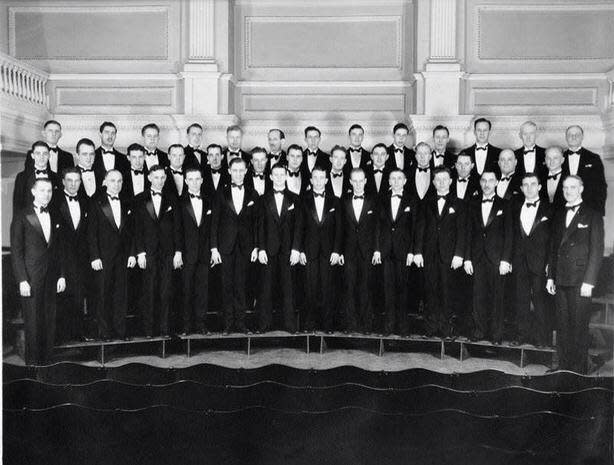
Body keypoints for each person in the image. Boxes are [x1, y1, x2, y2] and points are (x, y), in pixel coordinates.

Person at [547, 175, 604, 373]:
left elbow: (597, 251)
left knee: (579, 325)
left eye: (572, 187)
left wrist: (589, 281)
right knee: (562, 324)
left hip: (581, 280)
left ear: (581, 189)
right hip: (561, 277)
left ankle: (579, 369)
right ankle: (563, 366)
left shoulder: (592, 215)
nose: (568, 191)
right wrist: (550, 277)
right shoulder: (559, 214)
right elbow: (554, 248)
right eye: (565, 188)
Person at [11, 178, 66, 364]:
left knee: (50, 320)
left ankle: (48, 363)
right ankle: (33, 366)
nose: (46, 194)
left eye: (49, 190)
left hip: (52, 277)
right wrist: (22, 280)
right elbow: (16, 251)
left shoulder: (56, 214)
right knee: (33, 322)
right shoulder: (21, 215)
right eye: (42, 190)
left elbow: (59, 250)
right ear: (34, 192)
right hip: (31, 278)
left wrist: (61, 275)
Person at [414, 167, 466, 337]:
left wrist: (459, 254)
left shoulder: (459, 203)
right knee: (430, 290)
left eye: (445, 179)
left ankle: (445, 328)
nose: (442, 182)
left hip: (449, 256)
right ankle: (430, 327)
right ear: (434, 182)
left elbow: (461, 231)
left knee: (446, 290)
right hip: (429, 254)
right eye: (438, 179)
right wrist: (418, 251)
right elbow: (420, 228)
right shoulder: (425, 202)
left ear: (451, 181)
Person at [210, 157, 260, 333]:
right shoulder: (220, 193)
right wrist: (214, 248)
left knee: (242, 285)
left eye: (241, 170)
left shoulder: (253, 194)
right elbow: (214, 222)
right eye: (235, 170)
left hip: (245, 248)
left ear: (246, 171)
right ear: (229, 171)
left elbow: (256, 223)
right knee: (226, 286)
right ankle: (227, 324)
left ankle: (241, 323)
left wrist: (256, 247)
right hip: (225, 247)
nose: (238, 174)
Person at [464, 171, 513, 343]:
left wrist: (506, 260)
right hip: (477, 258)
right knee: (478, 297)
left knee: (497, 298)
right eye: (483, 180)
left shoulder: (505, 205)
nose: (486, 184)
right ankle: (479, 332)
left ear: (497, 182)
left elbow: (509, 235)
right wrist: (467, 258)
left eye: (490, 180)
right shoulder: (472, 204)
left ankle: (496, 334)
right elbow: (468, 232)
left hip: (497, 259)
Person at [134, 165, 183, 337]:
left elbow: (178, 227)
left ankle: (164, 330)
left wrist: (178, 251)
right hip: (148, 252)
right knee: (148, 291)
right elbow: (137, 229)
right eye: (156, 177)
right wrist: (140, 252)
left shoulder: (172, 198)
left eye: (163, 177)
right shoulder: (139, 199)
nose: (160, 181)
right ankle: (148, 330)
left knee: (166, 291)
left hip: (168, 252)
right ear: (149, 178)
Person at [88, 170, 135, 341]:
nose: (116, 184)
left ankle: (120, 331)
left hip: (122, 257)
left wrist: (132, 254)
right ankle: (104, 332)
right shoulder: (96, 203)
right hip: (103, 257)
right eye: (113, 180)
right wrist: (94, 256)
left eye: (120, 181)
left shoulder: (127, 202)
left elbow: (131, 233)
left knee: (121, 295)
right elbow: (91, 233)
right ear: (105, 182)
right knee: (103, 295)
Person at [295, 166, 342, 332]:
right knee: (310, 288)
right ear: (311, 180)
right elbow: (299, 226)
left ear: (326, 180)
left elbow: (339, 229)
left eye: (321, 177)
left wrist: (337, 251)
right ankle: (309, 325)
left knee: (328, 289)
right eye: (315, 177)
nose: (318, 181)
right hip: (309, 251)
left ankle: (328, 326)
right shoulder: (303, 200)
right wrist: (299, 250)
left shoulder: (335, 200)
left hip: (329, 252)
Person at [257, 164, 301, 333]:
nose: (279, 177)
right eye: (276, 174)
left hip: (289, 250)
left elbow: (299, 226)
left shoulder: (295, 199)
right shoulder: (263, 199)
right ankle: (264, 325)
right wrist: (261, 249)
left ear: (286, 176)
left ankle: (290, 325)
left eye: (282, 174)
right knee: (266, 288)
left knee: (288, 288)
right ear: (271, 177)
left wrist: (296, 249)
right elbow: (260, 226)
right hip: (268, 250)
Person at [511, 173, 552, 346]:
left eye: (533, 184)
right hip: (519, 262)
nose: (529, 188)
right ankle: (521, 337)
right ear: (521, 188)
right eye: (525, 185)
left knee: (540, 301)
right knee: (521, 300)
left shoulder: (549, 209)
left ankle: (542, 339)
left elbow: (553, 239)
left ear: (540, 187)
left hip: (540, 263)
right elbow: (511, 236)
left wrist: (550, 263)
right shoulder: (514, 207)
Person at [377, 169, 418, 335]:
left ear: (405, 180)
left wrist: (412, 251)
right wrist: (377, 249)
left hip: (404, 253)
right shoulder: (381, 199)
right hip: (386, 251)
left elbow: (415, 228)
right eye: (392, 178)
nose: (396, 181)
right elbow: (377, 227)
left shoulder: (412, 200)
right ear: (389, 181)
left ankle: (402, 327)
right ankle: (389, 326)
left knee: (403, 289)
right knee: (387, 290)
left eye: (399, 178)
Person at [51, 167, 90, 343]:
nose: (73, 184)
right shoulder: (54, 202)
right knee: (62, 296)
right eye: (70, 180)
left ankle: (78, 334)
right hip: (61, 257)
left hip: (81, 258)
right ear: (63, 182)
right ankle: (61, 336)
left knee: (79, 296)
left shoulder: (85, 201)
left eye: (77, 181)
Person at [341, 168, 379, 333]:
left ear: (365, 181)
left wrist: (377, 249)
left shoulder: (374, 201)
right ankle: (350, 325)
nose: (357, 184)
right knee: (348, 287)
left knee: (366, 287)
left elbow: (378, 227)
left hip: (367, 251)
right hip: (348, 251)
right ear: (350, 182)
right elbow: (339, 228)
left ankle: (366, 326)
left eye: (360, 180)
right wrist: (340, 251)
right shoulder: (343, 201)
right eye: (354, 181)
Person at [178, 167, 214, 334]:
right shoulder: (179, 201)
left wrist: (213, 250)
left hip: (204, 254)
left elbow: (213, 228)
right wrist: (178, 252)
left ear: (202, 180)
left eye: (197, 179)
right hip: (186, 254)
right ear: (185, 181)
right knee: (185, 291)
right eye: (190, 179)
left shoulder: (209, 200)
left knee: (203, 291)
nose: (194, 182)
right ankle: (185, 327)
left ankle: (201, 325)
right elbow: (177, 230)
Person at [562, 125, 607, 216]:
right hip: (563, 209)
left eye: (577, 135)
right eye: (570, 134)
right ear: (566, 137)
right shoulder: (559, 158)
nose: (573, 137)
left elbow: (601, 186)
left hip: (588, 208)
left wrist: (598, 212)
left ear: (582, 137)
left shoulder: (594, 158)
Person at [13, 141, 59, 213]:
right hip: (29, 221)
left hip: (51, 220)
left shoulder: (56, 177)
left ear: (49, 156)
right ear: (32, 155)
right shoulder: (22, 177)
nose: (42, 157)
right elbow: (17, 206)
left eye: (45, 153)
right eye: (38, 153)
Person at [93, 121, 129, 186]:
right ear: (100, 134)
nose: (110, 136)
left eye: (113, 133)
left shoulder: (123, 158)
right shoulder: (92, 156)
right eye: (107, 132)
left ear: (115, 136)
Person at [544, 146, 566, 211]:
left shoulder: (569, 178)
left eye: (555, 158)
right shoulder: (539, 178)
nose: (551, 161)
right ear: (545, 160)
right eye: (548, 158)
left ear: (562, 160)